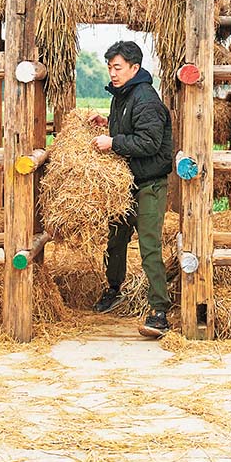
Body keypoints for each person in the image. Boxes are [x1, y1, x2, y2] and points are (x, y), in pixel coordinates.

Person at [89, 40, 174, 338]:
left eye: (118, 67)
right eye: (110, 67)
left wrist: (113, 143)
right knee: (115, 239)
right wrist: (107, 123)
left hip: (149, 183)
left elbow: (148, 142)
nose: (112, 73)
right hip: (127, 183)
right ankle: (114, 289)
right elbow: (129, 127)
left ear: (134, 68)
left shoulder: (146, 98)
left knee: (149, 246)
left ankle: (159, 312)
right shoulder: (123, 96)